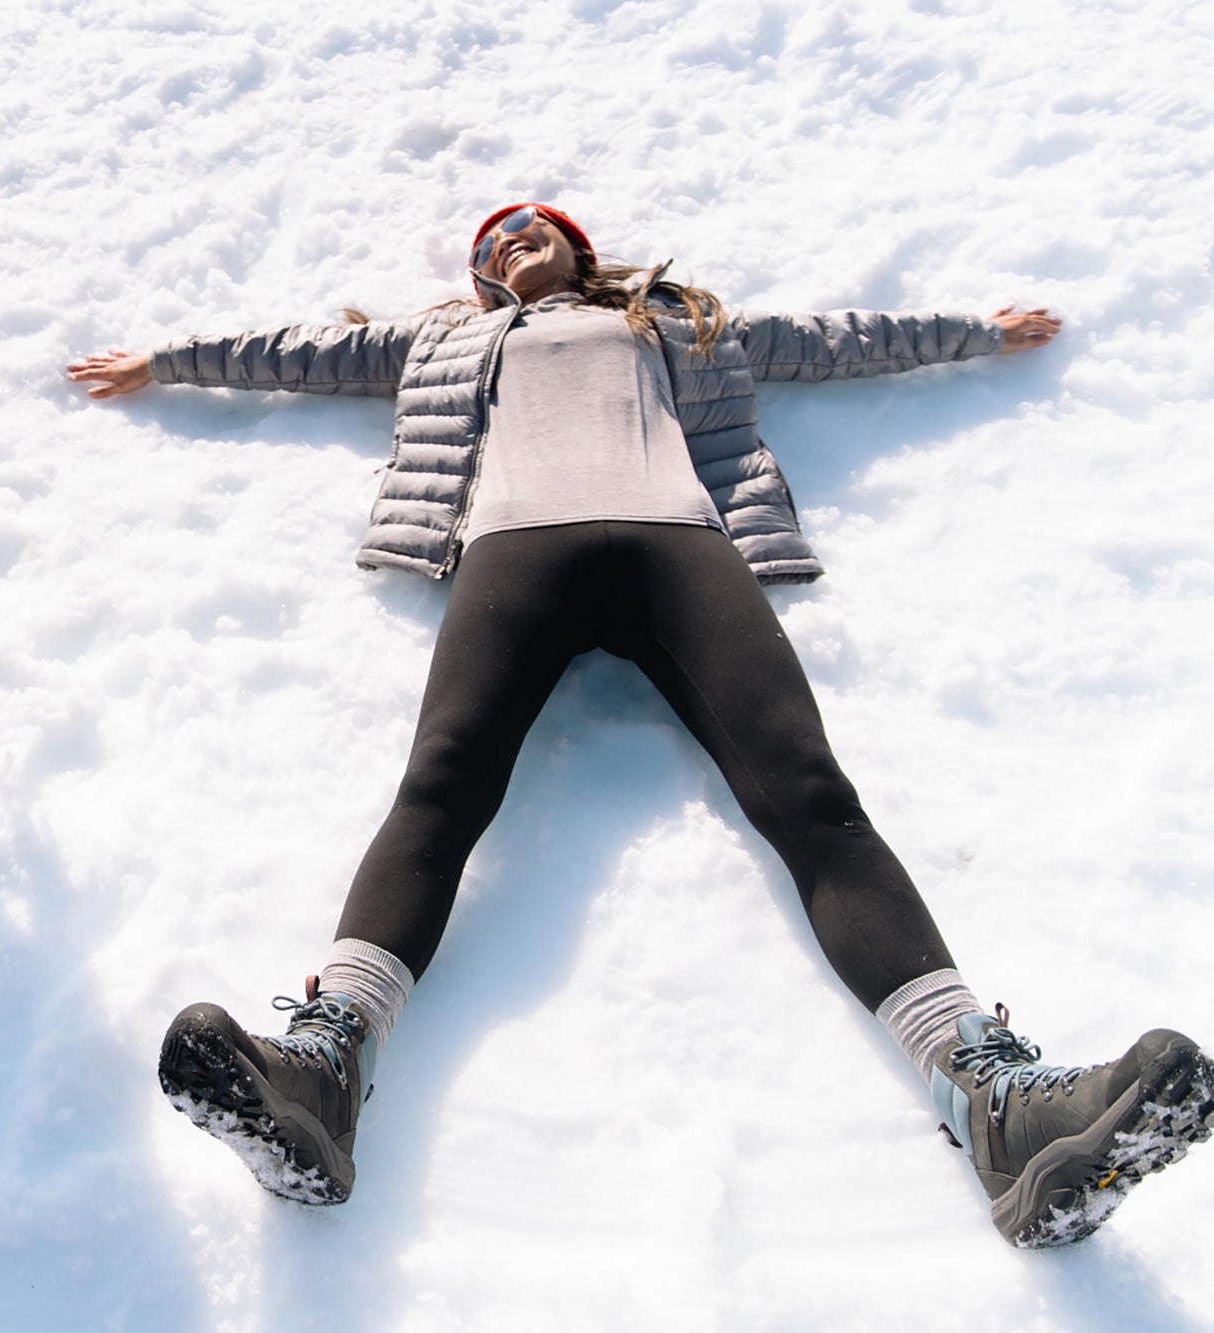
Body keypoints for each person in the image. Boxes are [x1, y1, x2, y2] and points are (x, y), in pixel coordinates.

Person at [68, 202, 1212, 1247]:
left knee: (810, 796)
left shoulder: (677, 324)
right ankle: (321, 1068)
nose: (512, 238)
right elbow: (292, 355)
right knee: (441, 787)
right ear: (478, 281)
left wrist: (973, 331)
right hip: (514, 554)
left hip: (678, 544)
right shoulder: (440, 340)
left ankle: (994, 1098)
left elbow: (838, 338)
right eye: (492, 240)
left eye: (532, 226)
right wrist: (163, 360)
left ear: (576, 246)